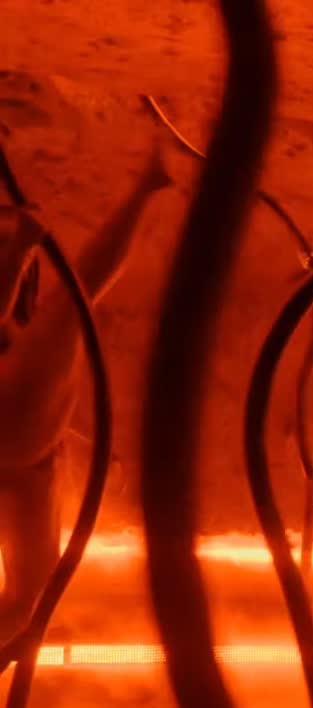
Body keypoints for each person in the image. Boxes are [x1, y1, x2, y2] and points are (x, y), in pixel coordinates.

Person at [1, 147, 175, 651]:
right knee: (71, 306)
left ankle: (147, 186)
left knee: (32, 593)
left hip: (24, 454)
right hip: (17, 443)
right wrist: (19, 251)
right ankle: (147, 186)